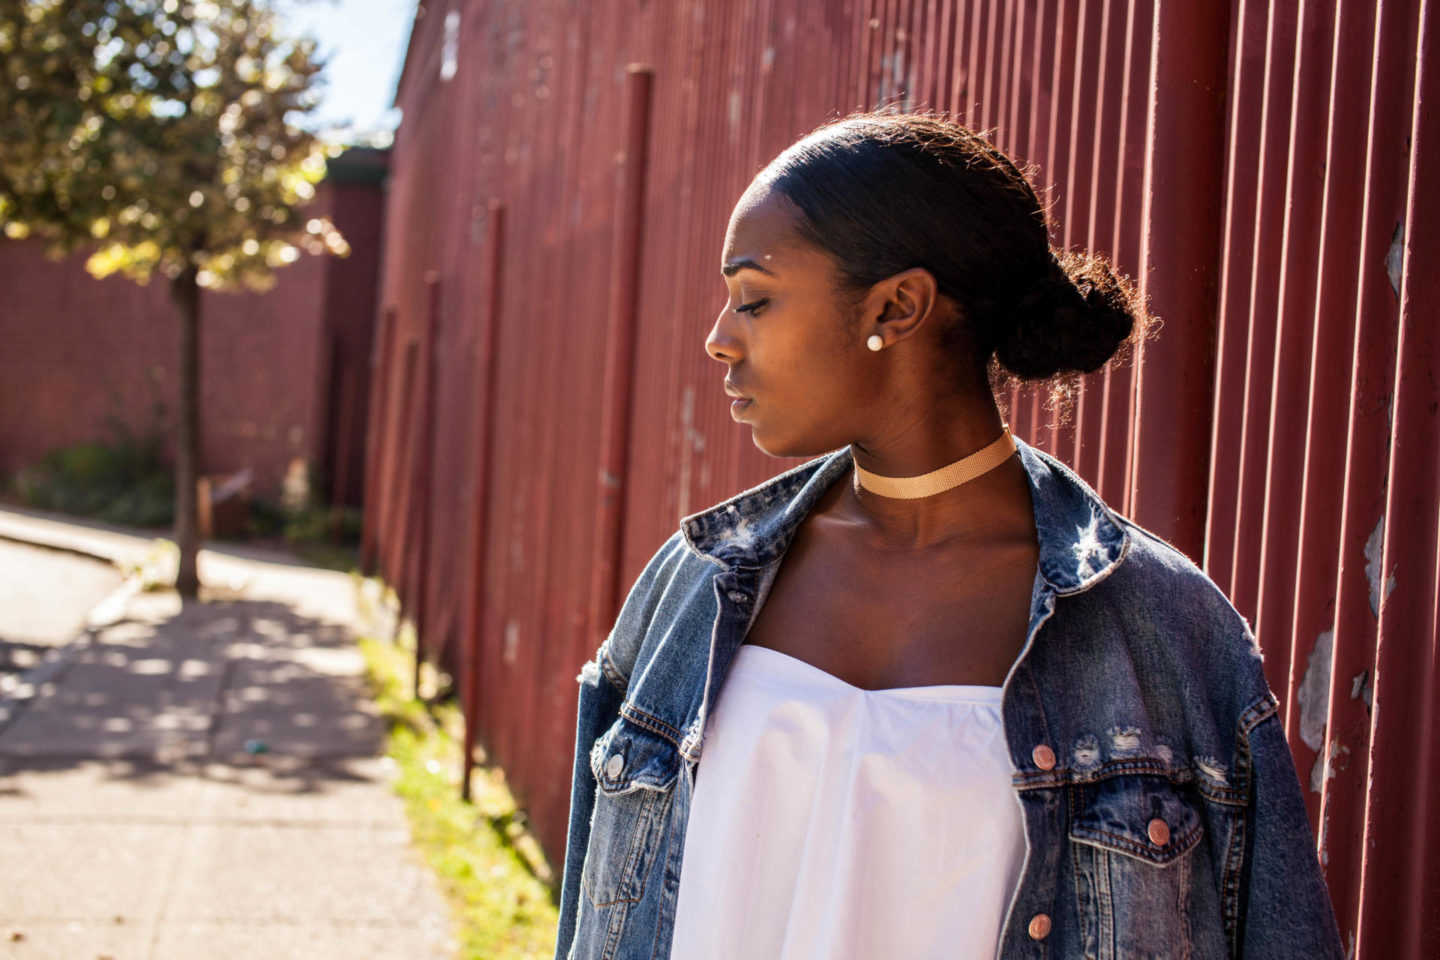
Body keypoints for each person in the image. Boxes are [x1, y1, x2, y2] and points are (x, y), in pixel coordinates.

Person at [553, 111, 1344, 960]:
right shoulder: (690, 586)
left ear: (897, 307)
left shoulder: (1166, 631)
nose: (719, 339)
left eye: (754, 299)